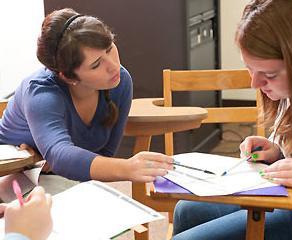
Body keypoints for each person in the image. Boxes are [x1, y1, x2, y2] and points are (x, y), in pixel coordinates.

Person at [172, 0, 292, 239]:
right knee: (186, 211)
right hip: (290, 195)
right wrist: (278, 151)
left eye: (269, 75)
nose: (255, 84)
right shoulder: (290, 93)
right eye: (250, 69)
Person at [0, 8, 173, 182]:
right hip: (11, 179)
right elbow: (60, 155)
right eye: (96, 64)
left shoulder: (120, 82)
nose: (113, 65)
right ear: (68, 77)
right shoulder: (41, 93)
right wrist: (127, 167)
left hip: (55, 178)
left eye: (109, 48)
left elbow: (104, 155)